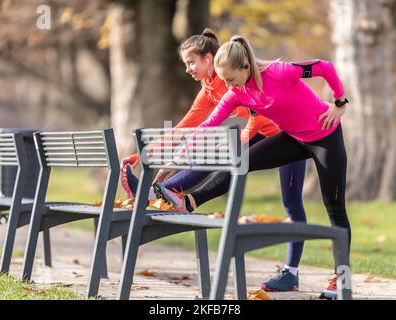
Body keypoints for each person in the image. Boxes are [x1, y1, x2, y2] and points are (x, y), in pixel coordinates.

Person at [154, 34, 350, 300]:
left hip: (325, 135)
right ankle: (189, 200)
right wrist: (175, 161)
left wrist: (339, 103)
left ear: (245, 66)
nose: (228, 86)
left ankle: (341, 279)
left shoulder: (279, 72)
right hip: (293, 138)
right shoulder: (236, 93)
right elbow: (207, 126)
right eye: (223, 81)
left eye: (231, 79)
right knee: (241, 162)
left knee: (334, 208)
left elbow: (324, 67)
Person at [121, 29, 309, 292]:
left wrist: (242, 137)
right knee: (221, 152)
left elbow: (262, 111)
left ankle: (291, 272)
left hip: (290, 133)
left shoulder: (234, 73)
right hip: (263, 132)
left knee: (290, 201)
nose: (187, 69)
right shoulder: (209, 90)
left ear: (208, 59)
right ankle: (163, 192)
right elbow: (185, 128)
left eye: (190, 62)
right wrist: (142, 155)